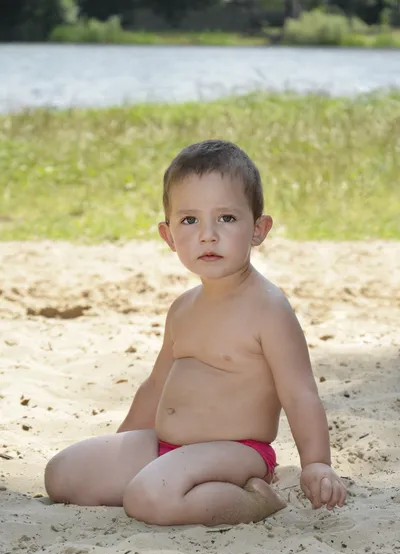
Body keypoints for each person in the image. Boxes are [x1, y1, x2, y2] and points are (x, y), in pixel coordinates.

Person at [44, 139, 347, 526]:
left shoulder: (268, 309)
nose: (208, 234)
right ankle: (166, 486)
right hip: (168, 446)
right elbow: (155, 386)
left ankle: (256, 501)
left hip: (236, 450)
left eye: (226, 218)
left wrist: (316, 463)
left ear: (258, 228)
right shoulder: (183, 307)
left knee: (148, 497)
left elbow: (300, 393)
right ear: (169, 236)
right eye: (190, 220)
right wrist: (122, 447)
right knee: (64, 474)